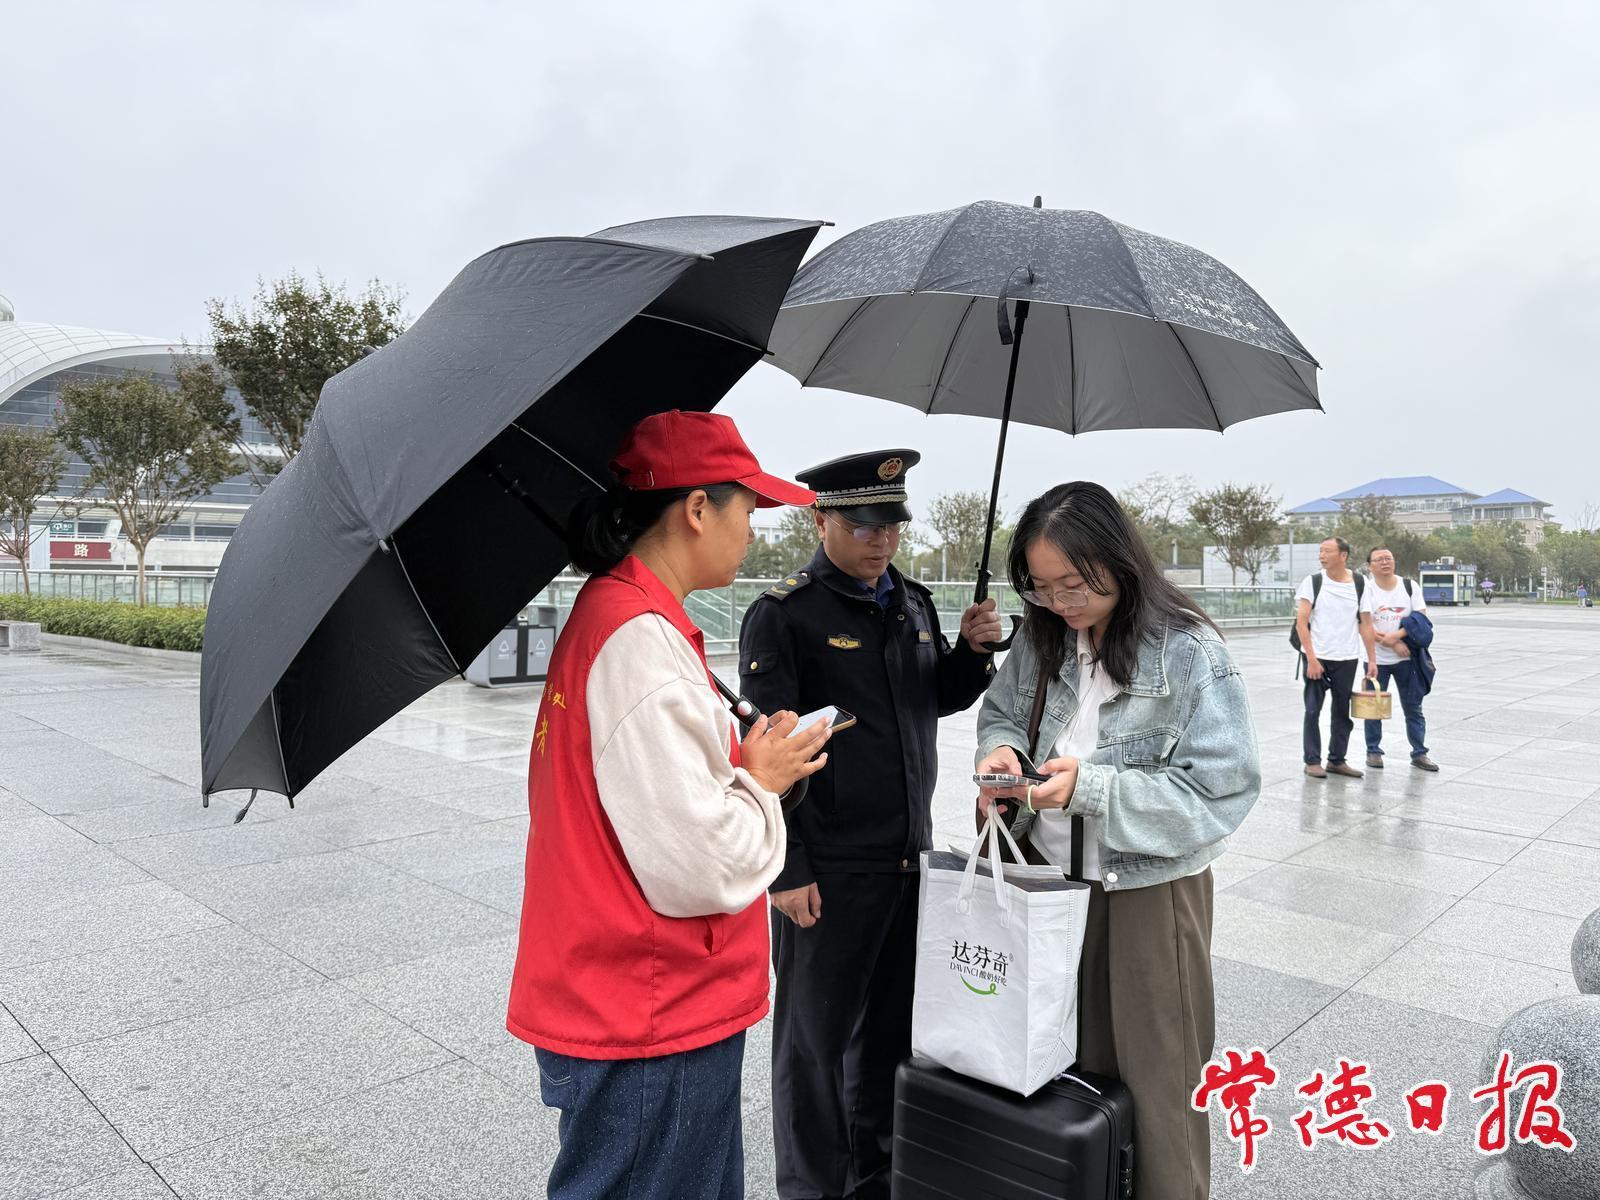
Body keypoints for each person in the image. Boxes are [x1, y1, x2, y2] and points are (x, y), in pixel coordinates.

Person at [507, 410, 832, 1200]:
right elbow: (703, 863)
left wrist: (742, 756)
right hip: (649, 1008)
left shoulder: (621, 613)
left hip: (639, 995)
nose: (752, 531)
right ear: (696, 509)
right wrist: (763, 782)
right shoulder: (639, 643)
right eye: (747, 509)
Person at [973, 481, 1260, 1200]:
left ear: (1118, 561)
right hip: (1045, 878)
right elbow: (1001, 713)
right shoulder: (1042, 638)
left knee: (1159, 1084)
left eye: (1072, 584)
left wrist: (1091, 790)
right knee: (1062, 1068)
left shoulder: (1189, 652)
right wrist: (1001, 753)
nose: (1058, 601)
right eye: (1040, 587)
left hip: (1146, 894)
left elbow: (1220, 793)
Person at [737, 449, 1000, 1200]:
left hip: (906, 859)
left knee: (887, 1037)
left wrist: (972, 652)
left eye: (891, 525)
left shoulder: (912, 603)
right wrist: (788, 869)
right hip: (829, 869)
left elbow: (934, 697)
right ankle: (812, 1188)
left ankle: (873, 1178)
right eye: (862, 526)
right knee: (813, 1049)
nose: (880, 540)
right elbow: (765, 752)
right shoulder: (785, 615)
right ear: (820, 521)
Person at [1294, 537, 1378, 779]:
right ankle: (1312, 761)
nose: (1322, 555)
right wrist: (1311, 659)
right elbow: (1301, 623)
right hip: (1317, 657)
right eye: (1320, 551)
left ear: (1343, 555)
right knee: (1312, 711)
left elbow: (1366, 623)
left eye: (1327, 551)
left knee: (1342, 711)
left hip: (1347, 657)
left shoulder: (1360, 583)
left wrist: (1372, 660)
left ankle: (1337, 760)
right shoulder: (1313, 582)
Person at [1361, 547, 1439, 772]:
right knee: (1374, 708)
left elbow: (1420, 617)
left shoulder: (1409, 586)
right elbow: (1363, 623)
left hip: (1407, 659)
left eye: (1388, 558)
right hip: (1375, 659)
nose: (1385, 562)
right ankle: (1373, 751)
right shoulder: (1366, 589)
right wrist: (1391, 643)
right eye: (1379, 559)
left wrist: (1396, 636)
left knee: (1413, 707)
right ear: (1370, 566)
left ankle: (1419, 753)